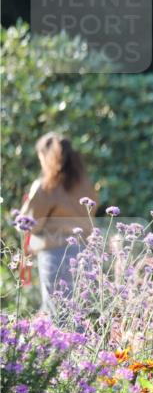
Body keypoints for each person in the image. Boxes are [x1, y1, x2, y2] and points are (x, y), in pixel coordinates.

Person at [18, 133, 97, 314]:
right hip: (85, 254)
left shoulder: (46, 186)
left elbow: (29, 224)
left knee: (58, 316)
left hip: (55, 255)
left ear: (46, 157)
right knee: (77, 315)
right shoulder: (85, 185)